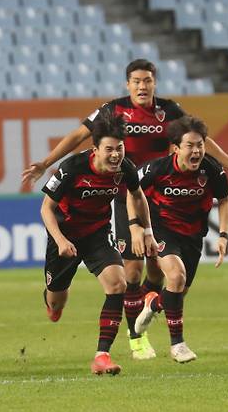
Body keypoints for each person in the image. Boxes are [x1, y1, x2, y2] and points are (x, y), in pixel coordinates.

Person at [22, 58, 228, 360]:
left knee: (159, 273)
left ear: (154, 83)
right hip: (126, 195)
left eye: (147, 80)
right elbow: (78, 136)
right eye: (136, 80)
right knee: (132, 272)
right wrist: (46, 163)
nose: (142, 85)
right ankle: (136, 338)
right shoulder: (113, 109)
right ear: (128, 84)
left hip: (156, 198)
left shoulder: (170, 111)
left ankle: (148, 308)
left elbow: (198, 140)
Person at [40, 112, 157, 375]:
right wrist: (60, 240)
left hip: (97, 234)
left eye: (120, 148)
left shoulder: (125, 168)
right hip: (66, 235)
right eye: (109, 150)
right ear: (95, 150)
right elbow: (46, 209)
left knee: (118, 283)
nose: (115, 155)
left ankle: (102, 355)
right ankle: (51, 303)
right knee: (56, 301)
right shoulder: (72, 168)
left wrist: (146, 230)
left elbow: (137, 197)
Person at [133, 115, 228, 363]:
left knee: (178, 292)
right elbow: (133, 194)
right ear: (176, 148)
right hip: (162, 230)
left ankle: (154, 304)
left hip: (193, 235)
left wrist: (223, 235)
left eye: (200, 144)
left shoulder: (212, 169)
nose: (196, 150)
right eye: (190, 145)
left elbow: (224, 200)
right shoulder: (157, 169)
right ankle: (178, 345)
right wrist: (138, 228)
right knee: (176, 276)